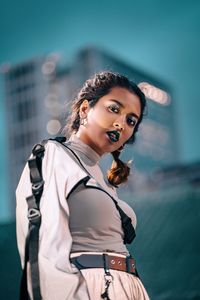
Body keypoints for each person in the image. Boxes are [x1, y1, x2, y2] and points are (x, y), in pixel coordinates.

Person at [16, 71, 150, 300]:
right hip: (90, 288)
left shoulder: (104, 179)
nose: (121, 124)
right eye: (114, 109)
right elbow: (42, 249)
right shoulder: (52, 155)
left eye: (131, 121)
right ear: (85, 109)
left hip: (129, 288)